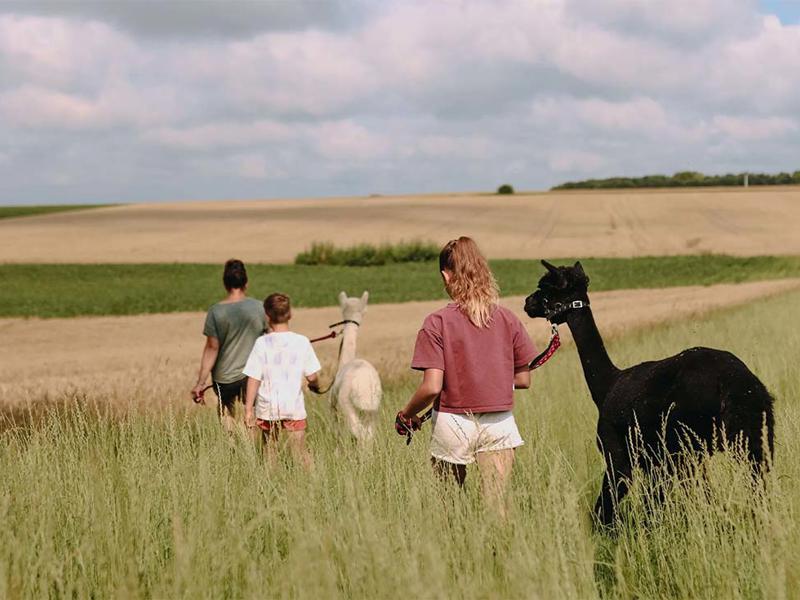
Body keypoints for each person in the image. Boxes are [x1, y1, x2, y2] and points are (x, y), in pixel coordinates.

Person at [396, 236, 536, 517]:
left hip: (453, 422)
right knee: (497, 508)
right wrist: (491, 380)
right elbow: (523, 380)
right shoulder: (507, 319)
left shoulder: (436, 323)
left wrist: (406, 415)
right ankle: (500, 559)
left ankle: (459, 558)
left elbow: (432, 387)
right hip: (499, 422)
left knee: (449, 509)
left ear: (446, 276)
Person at [243, 293, 322, 468]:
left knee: (269, 451)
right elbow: (312, 376)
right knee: (301, 452)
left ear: (267, 316)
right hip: (293, 407)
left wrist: (249, 409)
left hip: (268, 408)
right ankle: (313, 485)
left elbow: (254, 377)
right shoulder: (302, 342)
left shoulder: (261, 344)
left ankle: (269, 487)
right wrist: (315, 385)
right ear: (290, 314)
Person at [191, 259, 266, 431]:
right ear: (246, 283)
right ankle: (251, 454)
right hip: (252, 374)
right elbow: (270, 339)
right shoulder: (260, 308)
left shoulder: (216, 311)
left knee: (228, 418)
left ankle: (232, 452)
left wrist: (200, 383)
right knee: (251, 415)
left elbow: (212, 348)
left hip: (224, 377)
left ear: (225, 283)